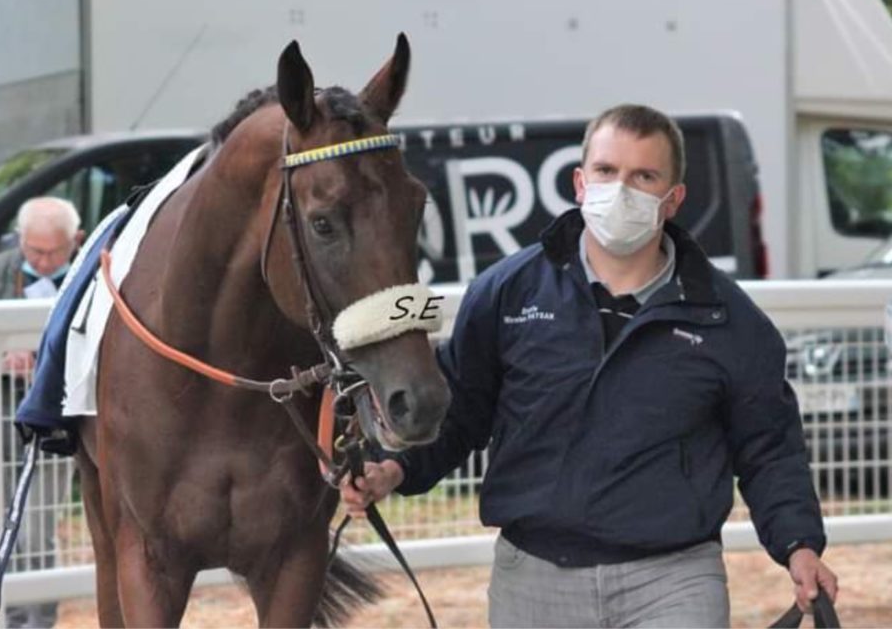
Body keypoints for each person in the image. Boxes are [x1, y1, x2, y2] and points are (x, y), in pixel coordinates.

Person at [343, 104, 838, 628]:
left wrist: (798, 545)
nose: (620, 190)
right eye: (606, 171)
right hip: (533, 580)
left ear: (673, 200)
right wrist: (393, 468)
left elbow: (769, 448)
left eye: (643, 176)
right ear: (580, 182)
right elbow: (462, 409)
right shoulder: (505, 293)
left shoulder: (729, 320)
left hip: (674, 582)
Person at [0, 196, 83, 629]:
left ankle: (41, 619)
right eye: (35, 251)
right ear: (19, 240)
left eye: (55, 251)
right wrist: (0, 356)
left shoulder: (92, 271)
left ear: (76, 241)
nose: (46, 260)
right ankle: (10, 617)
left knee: (38, 524)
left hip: (54, 418)